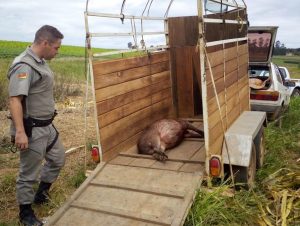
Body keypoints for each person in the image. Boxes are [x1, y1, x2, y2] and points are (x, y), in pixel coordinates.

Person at [7, 25, 65, 226]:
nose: (58, 51)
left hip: (47, 126)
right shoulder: (24, 65)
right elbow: (15, 100)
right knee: (28, 173)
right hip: (32, 129)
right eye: (56, 47)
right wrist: (20, 132)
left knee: (58, 158)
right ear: (45, 43)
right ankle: (25, 213)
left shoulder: (39, 61)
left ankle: (41, 195)